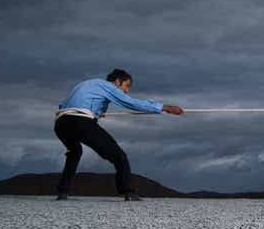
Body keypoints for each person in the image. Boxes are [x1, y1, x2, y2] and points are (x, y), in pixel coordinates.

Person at [54, 69, 184, 201]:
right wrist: (165, 107)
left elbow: (71, 104)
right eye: (126, 85)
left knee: (75, 152)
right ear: (117, 81)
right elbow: (131, 103)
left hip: (61, 124)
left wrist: (96, 112)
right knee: (120, 157)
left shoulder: (88, 84)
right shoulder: (108, 86)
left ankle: (62, 191)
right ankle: (129, 192)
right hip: (80, 122)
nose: (127, 90)